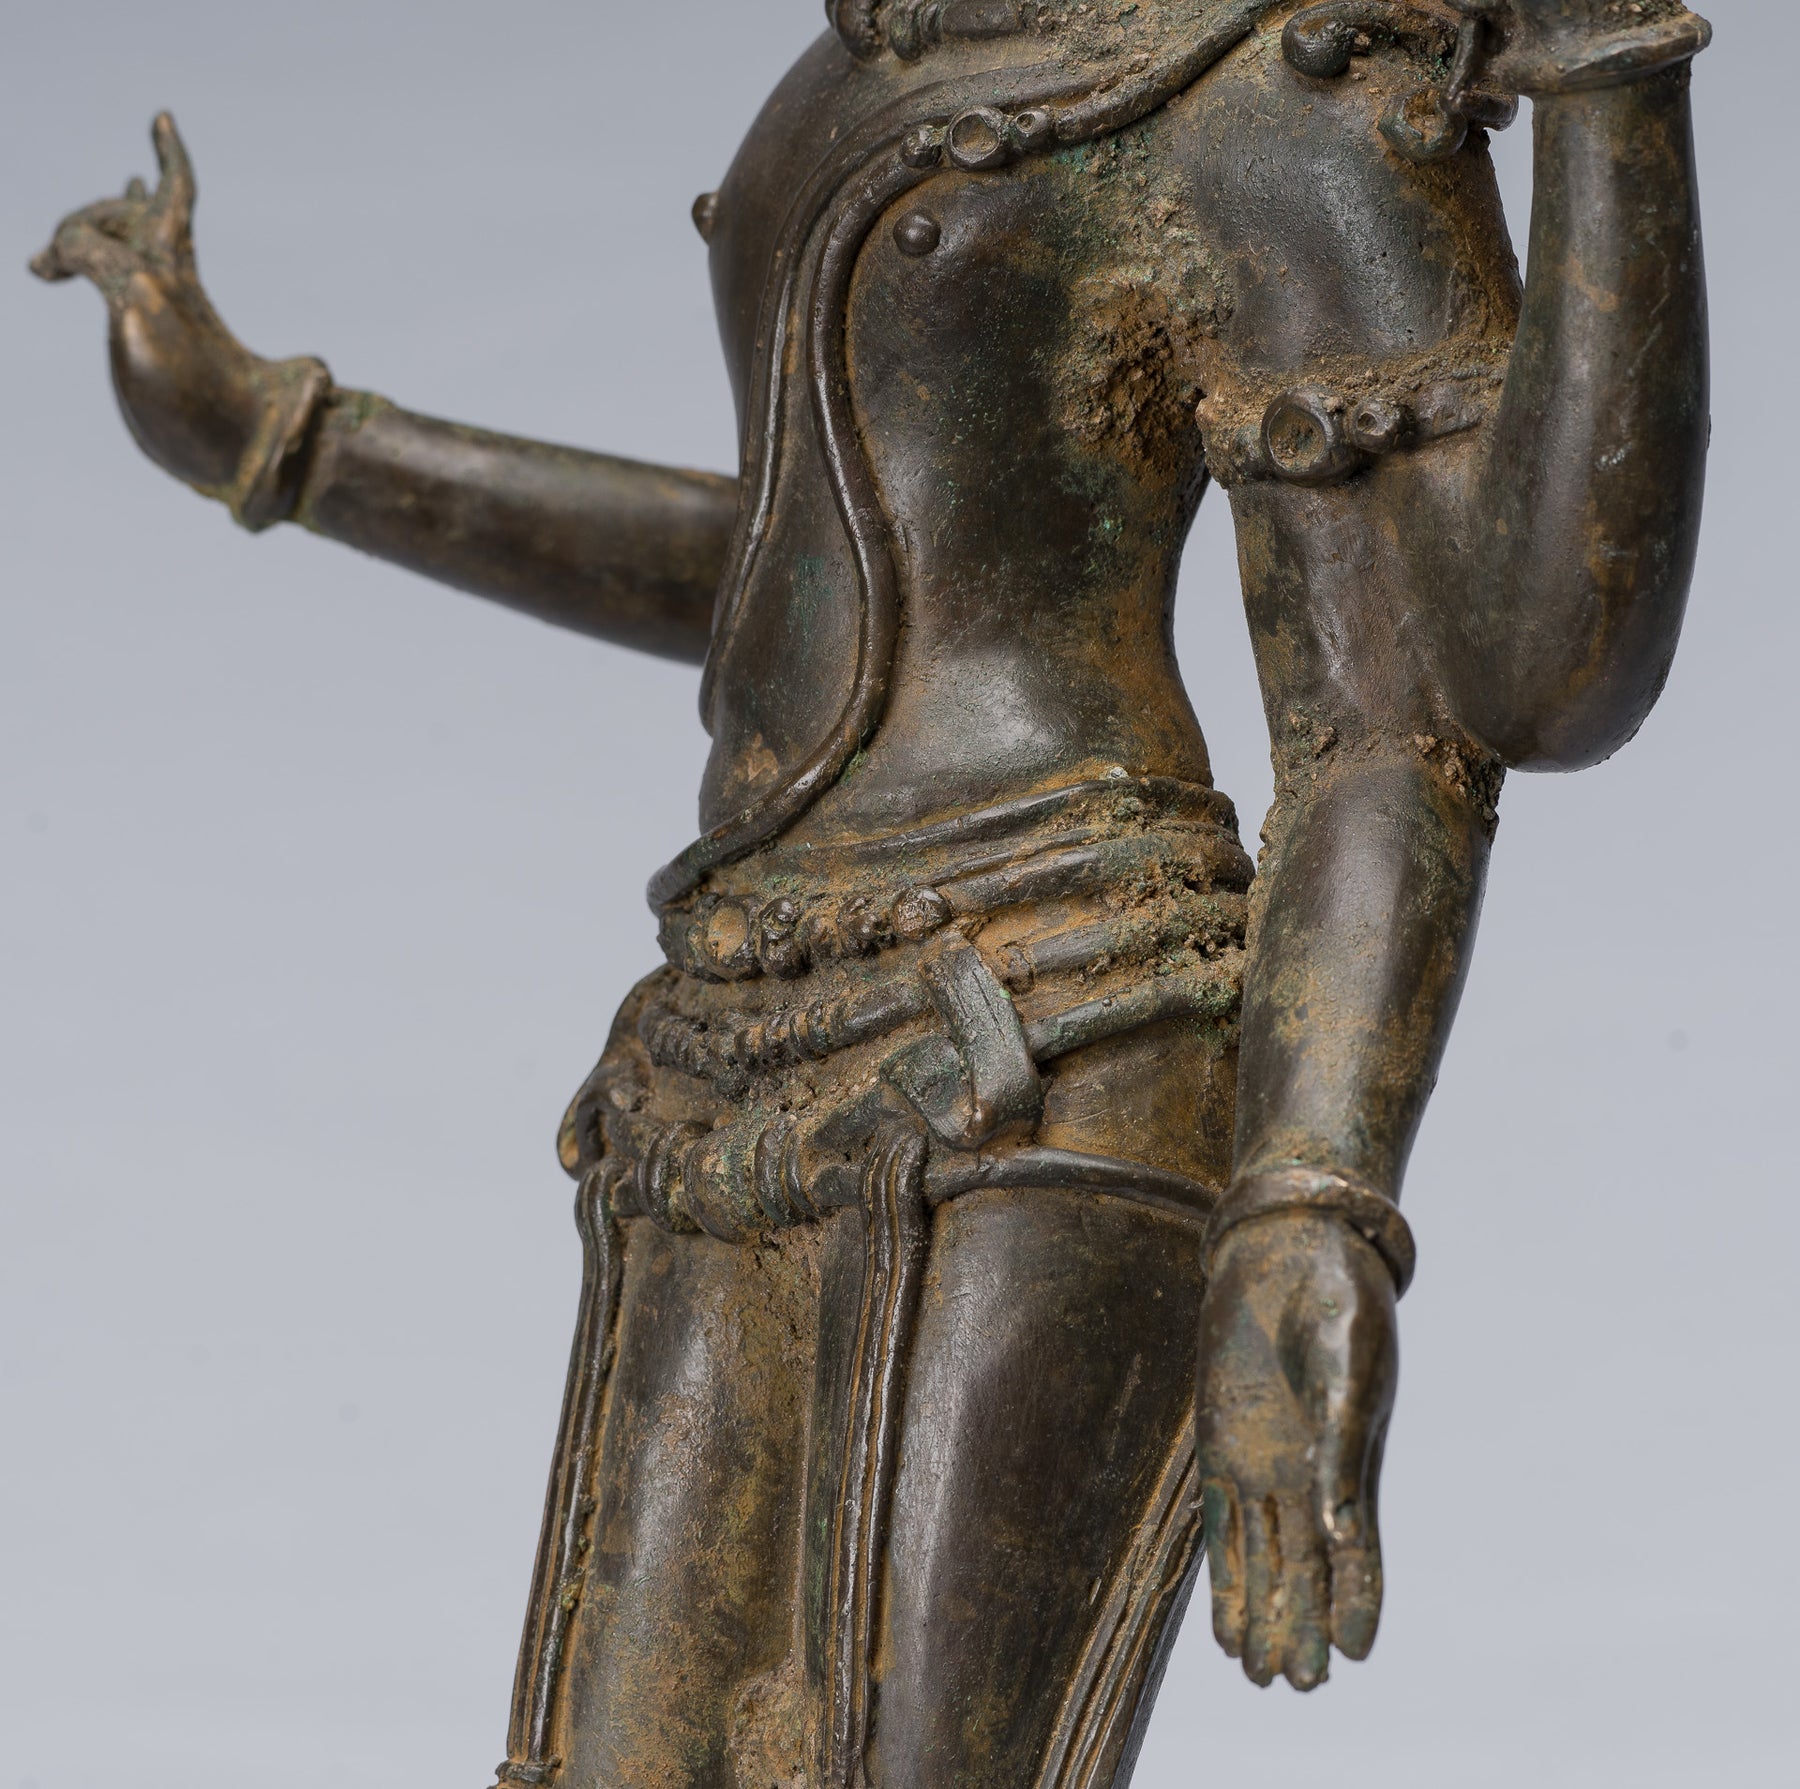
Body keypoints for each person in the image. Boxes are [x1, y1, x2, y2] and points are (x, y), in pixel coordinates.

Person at [34, 1, 1709, 1783]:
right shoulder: (863, 69)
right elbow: (813, 582)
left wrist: (1310, 1189)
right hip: (723, 1054)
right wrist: (292, 446)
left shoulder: (1266, 83)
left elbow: (1432, 701)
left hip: (1050, 1039)